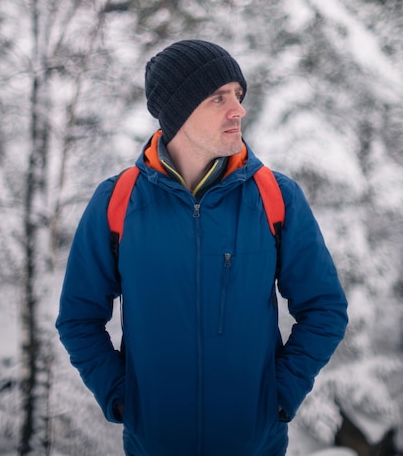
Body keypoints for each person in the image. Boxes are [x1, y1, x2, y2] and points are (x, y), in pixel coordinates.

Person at [56, 39, 348, 456]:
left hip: (253, 444)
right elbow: (78, 319)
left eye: (238, 95)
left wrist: (279, 394)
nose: (238, 110)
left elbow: (325, 309)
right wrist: (121, 396)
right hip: (155, 444)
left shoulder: (274, 197)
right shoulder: (117, 201)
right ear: (177, 112)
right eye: (218, 97)